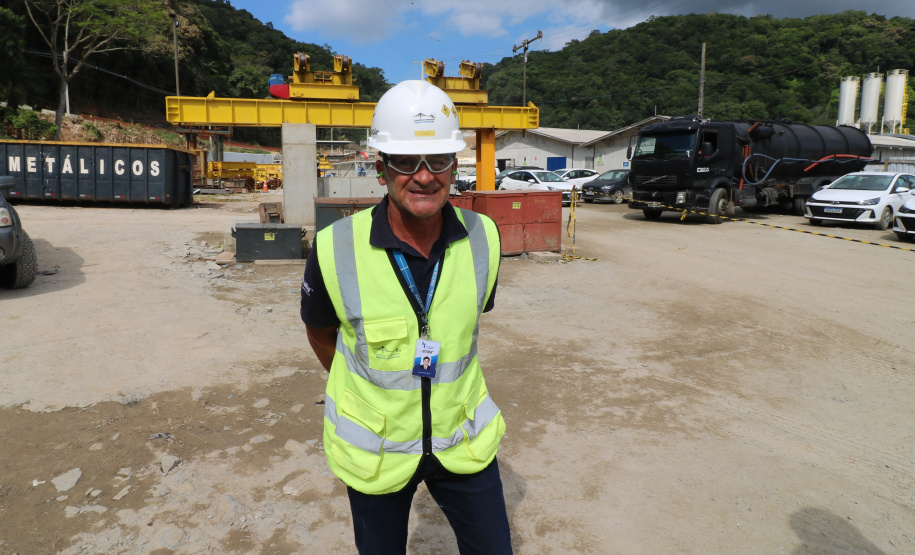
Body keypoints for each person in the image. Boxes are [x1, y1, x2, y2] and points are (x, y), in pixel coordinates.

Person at [300, 80, 511, 554]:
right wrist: (367, 391)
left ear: (455, 165)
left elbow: (469, 324)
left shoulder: (486, 238)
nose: (423, 176)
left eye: (438, 160)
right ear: (381, 168)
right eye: (405, 162)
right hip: (378, 450)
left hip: (461, 442)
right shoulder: (335, 248)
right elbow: (319, 333)